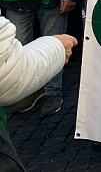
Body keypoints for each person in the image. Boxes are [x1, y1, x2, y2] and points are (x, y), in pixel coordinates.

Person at [0, 17, 76, 171]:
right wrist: (57, 47)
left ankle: (53, 93)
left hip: (49, 2)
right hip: (17, 4)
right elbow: (7, 71)